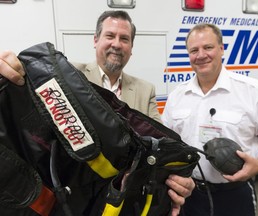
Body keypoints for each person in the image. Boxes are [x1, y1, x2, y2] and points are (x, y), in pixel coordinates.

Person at [0, 10, 194, 216]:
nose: (117, 44)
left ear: (131, 48)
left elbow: (164, 148)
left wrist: (180, 179)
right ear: (96, 40)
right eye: (110, 36)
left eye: (124, 39)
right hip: (70, 201)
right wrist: (10, 68)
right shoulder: (66, 76)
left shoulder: (146, 90)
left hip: (125, 203)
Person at [161, 23, 258, 216]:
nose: (201, 55)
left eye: (208, 47)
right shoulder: (177, 97)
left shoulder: (252, 91)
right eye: (194, 50)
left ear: (221, 49)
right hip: (189, 193)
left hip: (235, 194)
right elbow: (167, 146)